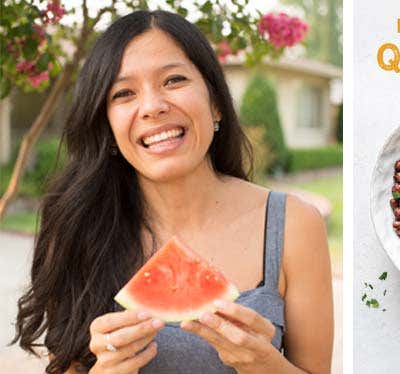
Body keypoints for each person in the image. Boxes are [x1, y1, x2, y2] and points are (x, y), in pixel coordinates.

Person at [13, 10, 333, 374]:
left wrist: (266, 366)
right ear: (108, 126)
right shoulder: (78, 229)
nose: (152, 107)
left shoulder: (293, 226)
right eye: (124, 93)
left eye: (174, 80)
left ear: (215, 102)